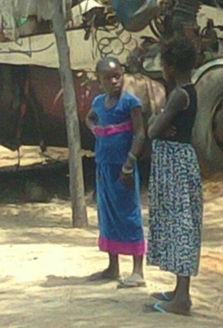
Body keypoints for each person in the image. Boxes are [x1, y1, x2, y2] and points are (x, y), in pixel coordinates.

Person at [146, 37, 201, 316]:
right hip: (177, 162)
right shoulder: (184, 91)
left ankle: (182, 299)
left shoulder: (179, 95)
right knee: (179, 224)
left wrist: (155, 120)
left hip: (175, 164)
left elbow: (153, 130)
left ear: (170, 65)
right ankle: (180, 292)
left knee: (181, 227)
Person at [85, 56, 147, 287]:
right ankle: (113, 267)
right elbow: (89, 118)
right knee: (108, 214)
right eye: (108, 78)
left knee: (129, 213)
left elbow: (140, 133)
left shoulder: (130, 103)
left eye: (117, 76)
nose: (114, 81)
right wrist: (95, 128)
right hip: (104, 166)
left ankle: (138, 270)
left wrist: (130, 163)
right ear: (99, 81)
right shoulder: (100, 103)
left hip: (124, 168)